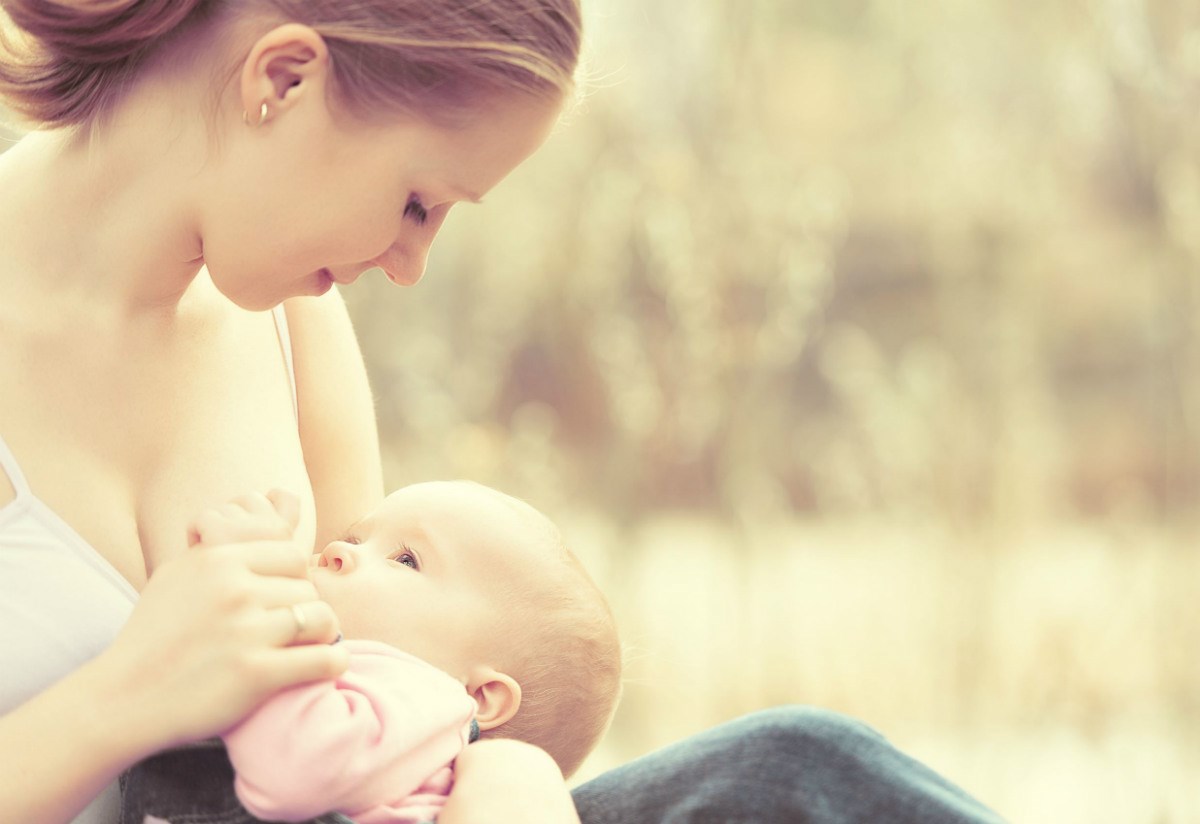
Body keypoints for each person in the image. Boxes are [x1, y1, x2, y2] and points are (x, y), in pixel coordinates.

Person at [0, 1, 1006, 823]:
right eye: (415, 203)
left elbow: (393, 680)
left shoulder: (294, 328)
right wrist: (125, 696)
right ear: (284, 79)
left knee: (789, 776)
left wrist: (503, 774)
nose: (408, 265)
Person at [119, 481, 620, 824]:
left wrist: (264, 591)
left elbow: (296, 766)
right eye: (354, 537)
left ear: (480, 696)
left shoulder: (425, 694)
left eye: (405, 559)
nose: (341, 551)